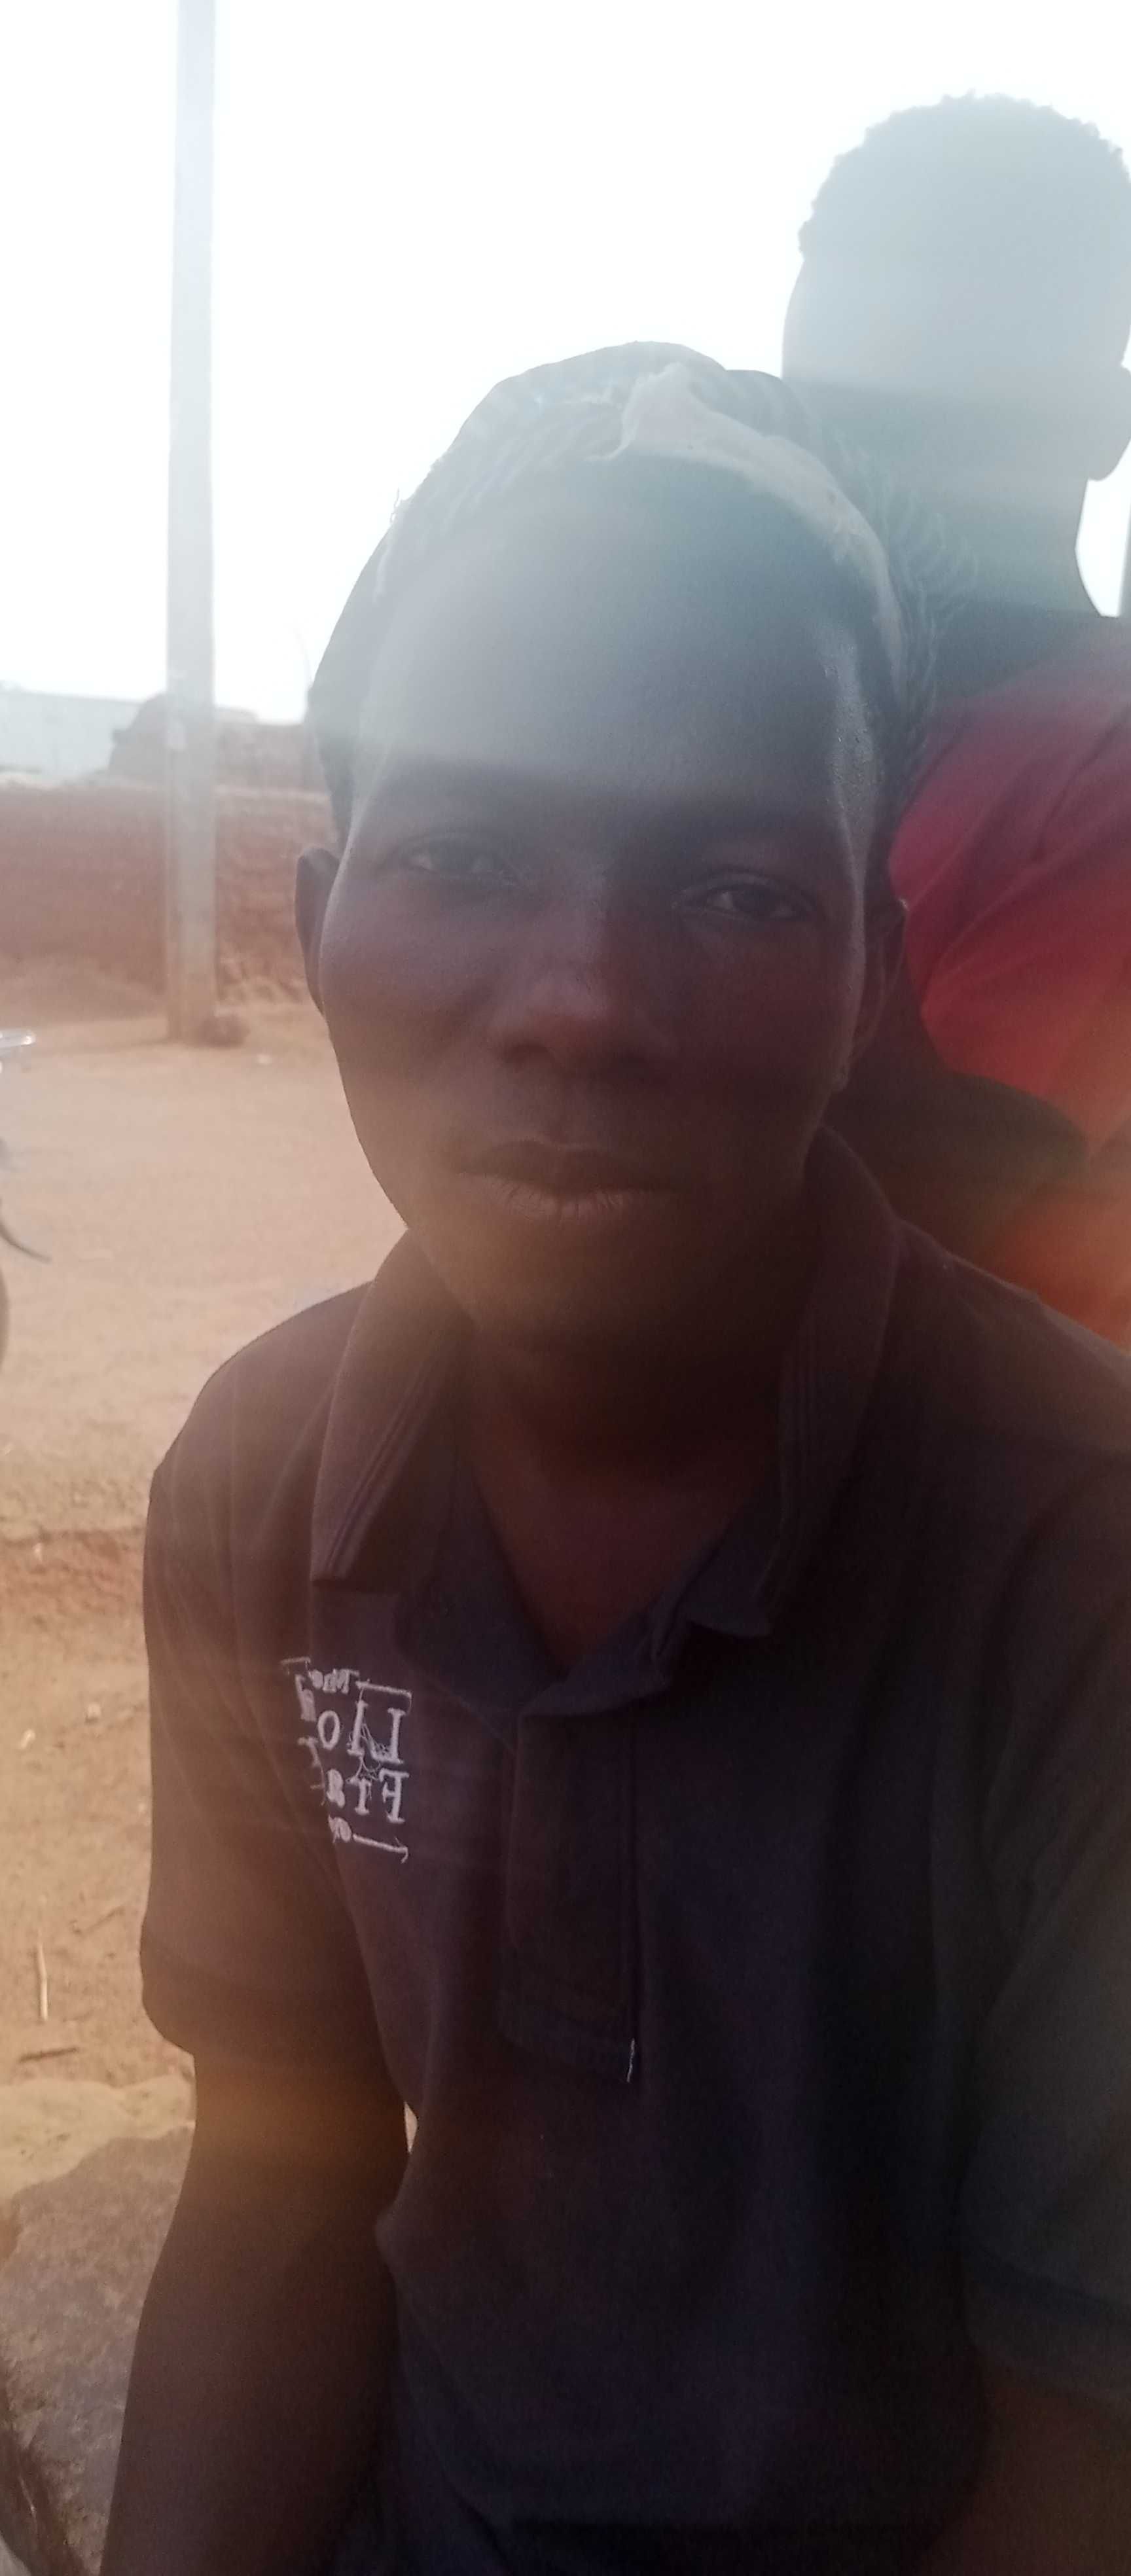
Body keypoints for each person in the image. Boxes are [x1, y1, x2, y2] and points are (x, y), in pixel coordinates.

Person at [103, 346, 1131, 2576]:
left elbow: (1084, 2449)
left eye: (739, 891)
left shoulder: (1080, 1565)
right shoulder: (262, 1488)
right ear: (320, 925)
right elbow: (275, 2188)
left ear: (869, 970)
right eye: (464, 854)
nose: (581, 994)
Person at [783, 96, 1131, 1338]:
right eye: (822, 421)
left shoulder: (1105, 768)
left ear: (1103, 423)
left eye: (933, 420)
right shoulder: (834, 717)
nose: (860, 479)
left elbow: (915, 1212)